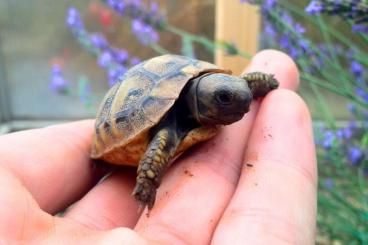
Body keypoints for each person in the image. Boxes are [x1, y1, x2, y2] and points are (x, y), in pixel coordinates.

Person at [0, 50, 316, 244]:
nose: (241, 102)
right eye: (224, 100)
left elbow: (241, 87)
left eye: (240, 96)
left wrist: (263, 85)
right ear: (200, 100)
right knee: (162, 141)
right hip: (134, 130)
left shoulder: (222, 88)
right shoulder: (168, 129)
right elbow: (157, 148)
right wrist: (147, 183)